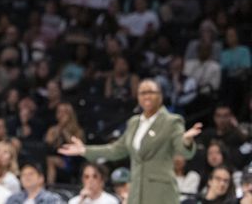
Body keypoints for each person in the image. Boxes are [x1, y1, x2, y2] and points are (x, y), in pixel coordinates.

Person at [59, 79, 202, 204]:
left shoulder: (171, 121)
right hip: (136, 189)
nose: (146, 96)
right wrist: (85, 150)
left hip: (160, 190)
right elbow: (116, 149)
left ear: (160, 96)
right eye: (142, 93)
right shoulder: (134, 122)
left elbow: (183, 150)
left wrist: (186, 140)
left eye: (150, 92)